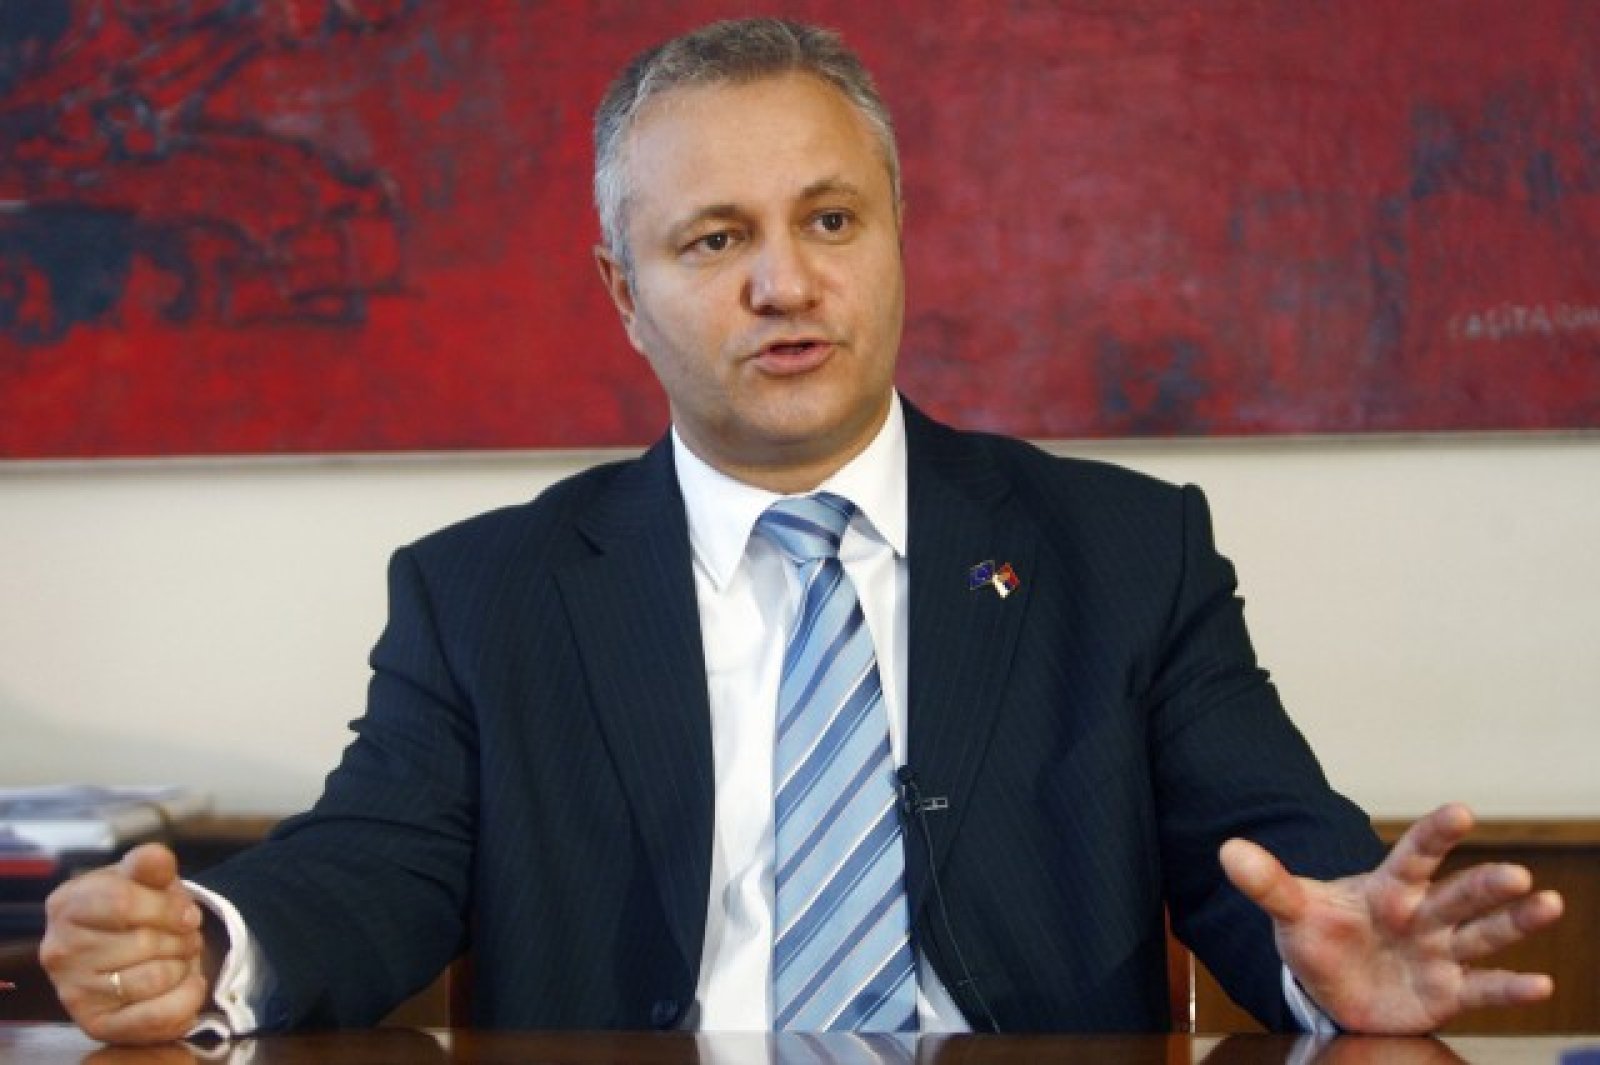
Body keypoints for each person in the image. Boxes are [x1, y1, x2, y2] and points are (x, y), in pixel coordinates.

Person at [39, 18, 1562, 1045]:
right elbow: (373, 866)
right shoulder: (487, 593)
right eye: (717, 240)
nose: (786, 283)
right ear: (623, 292)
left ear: (897, 239)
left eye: (831, 220)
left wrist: (1331, 955)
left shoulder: (1123, 553)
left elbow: (1273, 858)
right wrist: (212, 947)